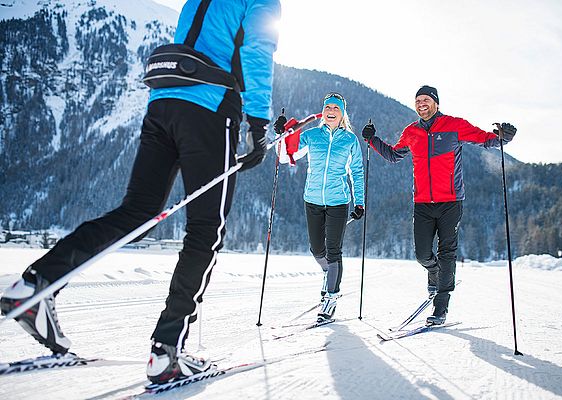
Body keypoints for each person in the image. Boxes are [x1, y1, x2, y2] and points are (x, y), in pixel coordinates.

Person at [0, 0, 281, 384]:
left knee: (137, 212)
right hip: (211, 108)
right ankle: (167, 351)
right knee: (205, 229)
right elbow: (257, 50)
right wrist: (259, 125)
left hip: (162, 103)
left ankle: (36, 284)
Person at [361, 85, 516, 325]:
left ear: (436, 103)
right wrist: (372, 140)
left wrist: (502, 138)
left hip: (451, 202)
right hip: (422, 202)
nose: (421, 104)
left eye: (426, 100)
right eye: (418, 101)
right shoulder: (411, 131)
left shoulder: (454, 125)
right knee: (422, 254)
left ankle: (440, 307)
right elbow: (394, 155)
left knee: (447, 253)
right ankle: (432, 272)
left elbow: (485, 139)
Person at [275, 92, 365, 323]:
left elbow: (356, 171)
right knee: (317, 250)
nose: (331, 111)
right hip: (312, 199)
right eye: (328, 108)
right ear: (323, 112)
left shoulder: (350, 140)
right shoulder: (312, 135)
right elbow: (287, 156)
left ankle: (331, 297)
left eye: (336, 107)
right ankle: (329, 274)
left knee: (334, 250)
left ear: (342, 113)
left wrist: (360, 201)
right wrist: (282, 135)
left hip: (338, 201)